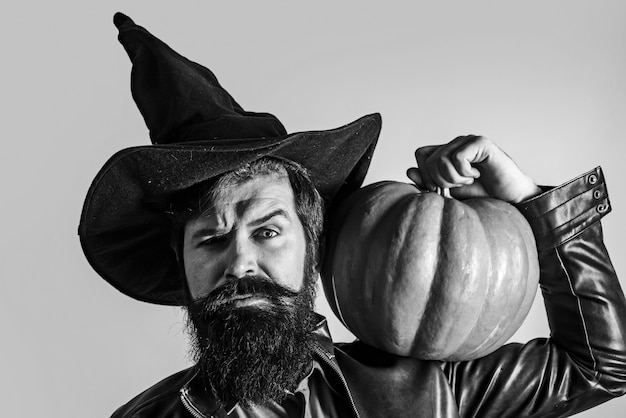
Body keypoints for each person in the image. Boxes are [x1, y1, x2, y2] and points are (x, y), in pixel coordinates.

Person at [79, 13, 626, 417]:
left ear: (312, 246)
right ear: (182, 264)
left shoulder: (433, 392)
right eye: (210, 239)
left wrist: (528, 198)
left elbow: (605, 365)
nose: (240, 261)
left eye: (267, 230)